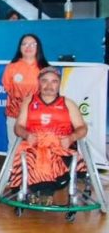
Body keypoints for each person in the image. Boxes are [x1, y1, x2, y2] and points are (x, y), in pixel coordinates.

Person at [11, 67, 87, 205]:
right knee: (30, 156)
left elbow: (82, 128)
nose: (49, 85)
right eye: (45, 81)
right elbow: (18, 127)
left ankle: (45, 192)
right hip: (34, 143)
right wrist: (27, 135)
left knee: (53, 159)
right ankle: (36, 190)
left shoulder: (68, 103)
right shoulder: (29, 101)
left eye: (54, 81)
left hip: (59, 145)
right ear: (39, 83)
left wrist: (71, 138)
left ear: (59, 84)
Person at [2, 34, 49, 148]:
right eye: (24, 44)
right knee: (14, 147)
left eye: (32, 44)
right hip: (15, 115)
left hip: (38, 116)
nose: (28, 47)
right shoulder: (11, 67)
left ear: (38, 47)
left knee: (38, 148)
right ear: (20, 47)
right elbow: (8, 88)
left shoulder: (45, 69)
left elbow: (49, 94)